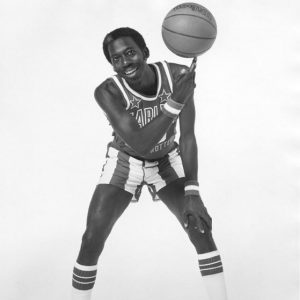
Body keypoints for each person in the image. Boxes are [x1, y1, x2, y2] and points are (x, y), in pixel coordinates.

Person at [71, 27, 228, 300]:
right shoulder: (107, 92)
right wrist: (175, 102)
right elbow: (139, 143)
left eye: (130, 52)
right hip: (124, 161)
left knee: (201, 230)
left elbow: (188, 136)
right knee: (91, 238)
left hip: (166, 159)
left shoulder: (178, 75)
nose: (124, 62)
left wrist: (193, 190)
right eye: (115, 59)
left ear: (145, 52)